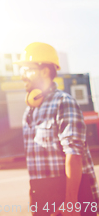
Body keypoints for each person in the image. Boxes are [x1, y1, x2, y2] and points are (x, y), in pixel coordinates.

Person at [15, 42, 99, 216]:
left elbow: (74, 154)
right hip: (43, 196)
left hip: (69, 196)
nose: (22, 75)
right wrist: (34, 198)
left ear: (44, 71)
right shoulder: (29, 111)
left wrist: (71, 202)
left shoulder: (63, 102)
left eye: (26, 69)